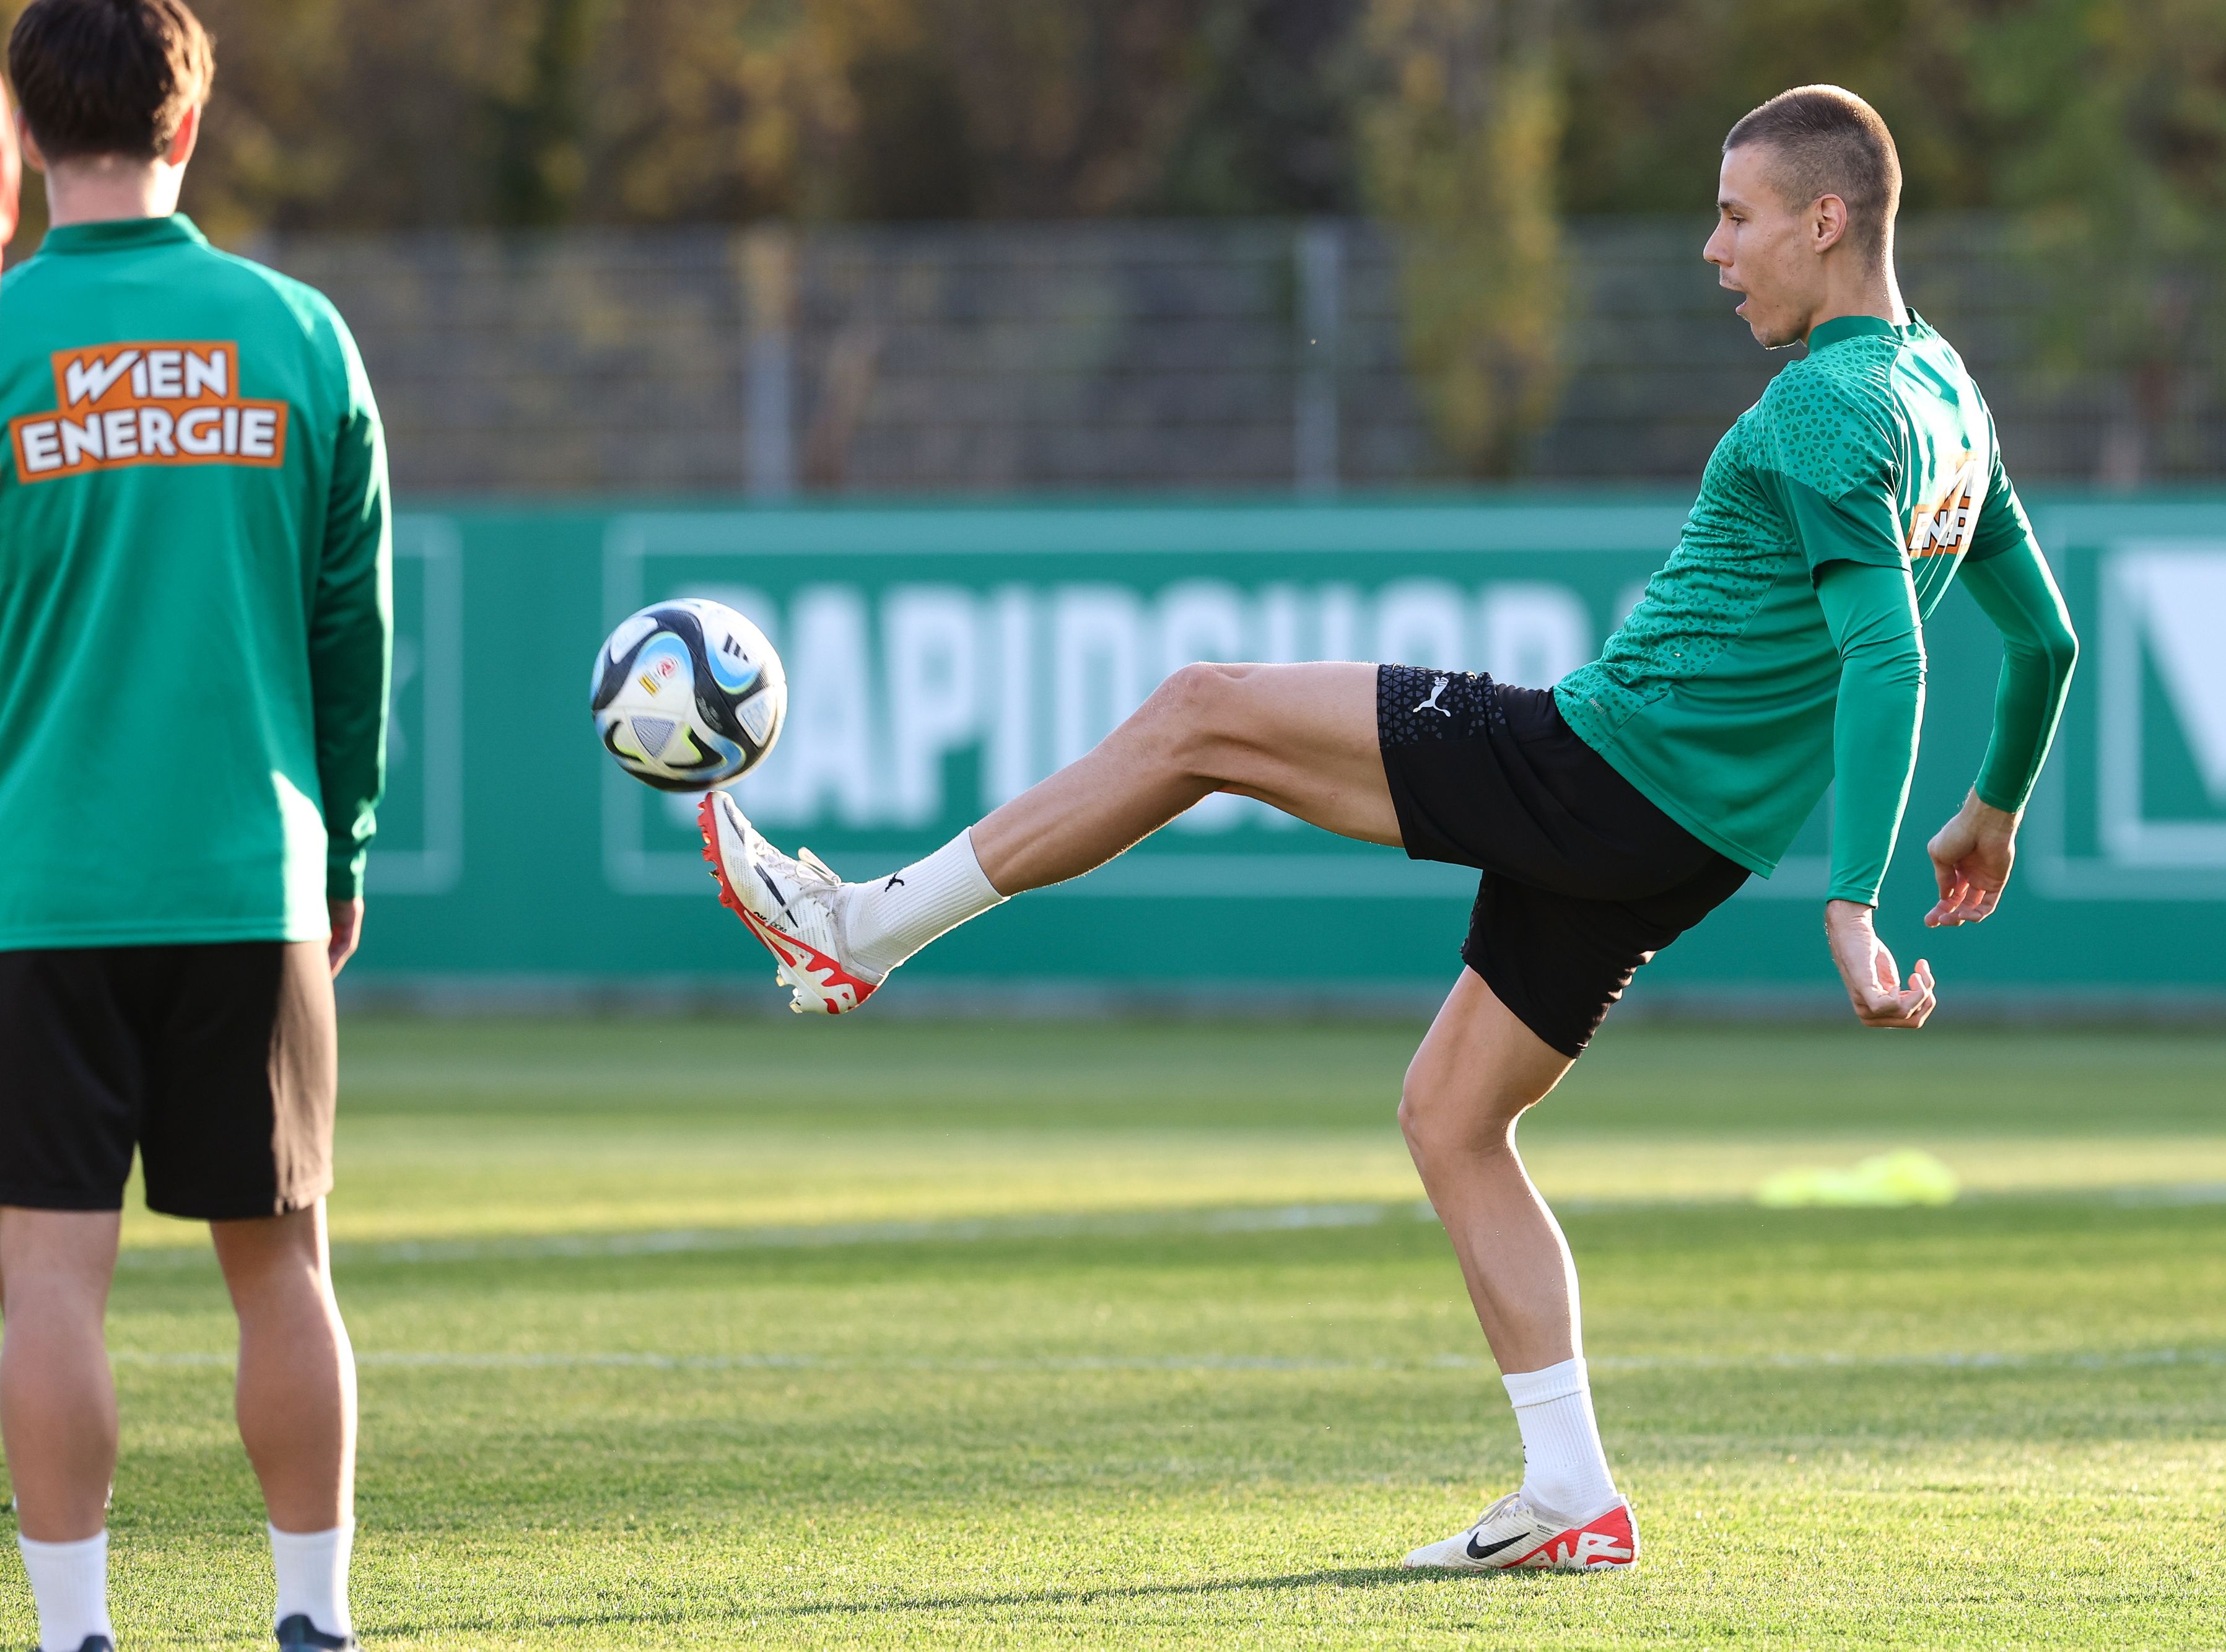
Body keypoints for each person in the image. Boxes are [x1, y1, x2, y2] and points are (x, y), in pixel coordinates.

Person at [700, 83, 2076, 1573]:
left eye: (1735, 216)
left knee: (1198, 711)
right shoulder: (1948, 395)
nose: (1710, 247)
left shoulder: (1828, 400)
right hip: (1685, 840)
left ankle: (855, 932)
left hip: (1600, 766)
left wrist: (1856, 900)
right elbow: (2043, 640)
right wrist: (1989, 808)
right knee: (1449, 1117)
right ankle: (1571, 1494)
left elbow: (1889, 656)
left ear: (1825, 219)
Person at [0, 2, 389, 1646]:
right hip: (253, 877)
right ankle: (311, 1617)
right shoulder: (298, 334)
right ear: (188, 124)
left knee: (43, 1281)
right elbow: (350, 636)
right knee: (282, 1264)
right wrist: (344, 855)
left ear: (24, 126)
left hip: (36, 892)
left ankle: (78, 1629)